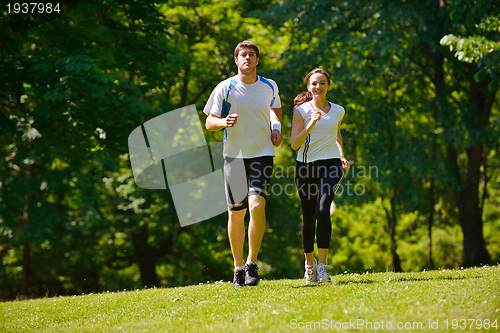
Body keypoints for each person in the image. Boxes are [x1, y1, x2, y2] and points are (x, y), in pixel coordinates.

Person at [204, 41, 282, 288]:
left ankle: (251, 263)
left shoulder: (269, 86)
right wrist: (224, 122)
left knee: (257, 204)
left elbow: (276, 109)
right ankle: (238, 267)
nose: (247, 58)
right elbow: (209, 122)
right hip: (234, 156)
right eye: (242, 55)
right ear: (236, 60)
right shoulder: (225, 87)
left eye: (251, 55)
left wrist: (277, 128)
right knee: (236, 213)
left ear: (257, 60)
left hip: (262, 153)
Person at [290, 68, 349, 284]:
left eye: (322, 83)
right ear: (309, 87)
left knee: (323, 210)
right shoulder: (301, 111)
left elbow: (336, 133)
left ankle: (323, 266)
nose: (318, 87)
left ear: (328, 86)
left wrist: (341, 155)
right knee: (309, 215)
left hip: (331, 163)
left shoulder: (338, 110)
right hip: (305, 166)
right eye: (314, 83)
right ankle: (309, 266)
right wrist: (310, 125)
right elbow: (294, 144)